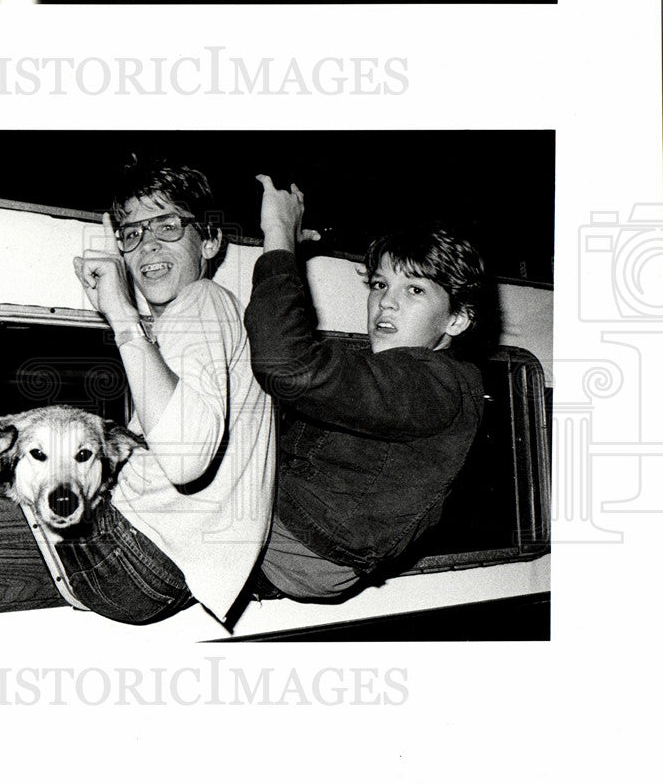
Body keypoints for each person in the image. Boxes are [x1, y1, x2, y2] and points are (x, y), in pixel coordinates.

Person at [244, 175, 487, 599]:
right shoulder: (399, 374)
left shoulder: (430, 381)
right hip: (298, 541)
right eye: (380, 284)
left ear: (457, 320)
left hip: (298, 544)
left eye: (414, 289)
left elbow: (285, 365)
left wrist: (279, 237)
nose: (386, 302)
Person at [62, 161, 276, 624]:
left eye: (168, 225)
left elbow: (185, 459)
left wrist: (120, 313)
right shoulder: (205, 318)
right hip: (175, 569)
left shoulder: (200, 301)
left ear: (212, 240)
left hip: (135, 550)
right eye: (133, 233)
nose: (149, 244)